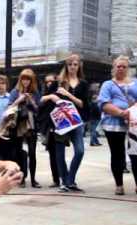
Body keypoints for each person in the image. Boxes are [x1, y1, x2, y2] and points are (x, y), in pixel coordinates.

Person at [98, 55, 137, 196]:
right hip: (113, 123)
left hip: (135, 123)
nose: (121, 68)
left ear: (128, 68)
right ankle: (119, 185)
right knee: (117, 154)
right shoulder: (107, 84)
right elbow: (103, 104)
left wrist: (131, 112)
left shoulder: (136, 83)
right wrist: (121, 113)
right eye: (118, 66)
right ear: (114, 68)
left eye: (124, 66)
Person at [48, 54, 89, 193]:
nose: (72, 67)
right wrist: (53, 96)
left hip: (77, 121)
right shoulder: (58, 82)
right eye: (70, 64)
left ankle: (70, 179)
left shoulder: (83, 83)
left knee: (80, 151)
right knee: (59, 153)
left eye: (75, 64)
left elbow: (83, 104)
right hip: (62, 121)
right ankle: (64, 182)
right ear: (66, 66)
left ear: (79, 66)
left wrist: (68, 94)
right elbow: (45, 97)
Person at [8, 68, 42, 188]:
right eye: (23, 79)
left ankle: (33, 179)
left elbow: (39, 109)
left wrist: (31, 100)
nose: (25, 81)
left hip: (31, 125)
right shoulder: (15, 91)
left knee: (32, 153)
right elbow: (9, 107)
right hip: (18, 125)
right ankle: (21, 179)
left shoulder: (36, 92)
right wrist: (20, 99)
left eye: (28, 79)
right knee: (18, 153)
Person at [38, 73, 61, 188]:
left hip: (61, 127)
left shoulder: (60, 93)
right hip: (49, 128)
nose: (49, 84)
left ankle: (65, 178)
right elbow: (40, 106)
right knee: (52, 154)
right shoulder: (45, 95)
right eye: (47, 82)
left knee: (60, 155)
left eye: (51, 81)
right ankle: (56, 179)